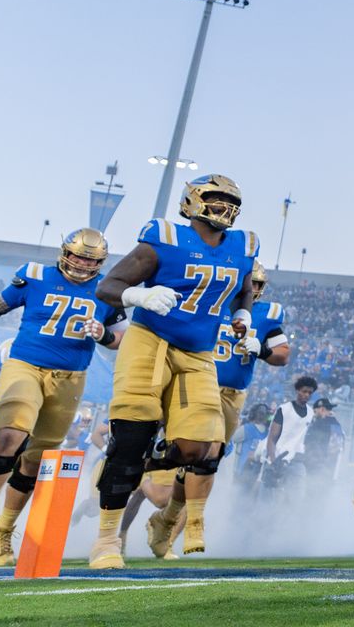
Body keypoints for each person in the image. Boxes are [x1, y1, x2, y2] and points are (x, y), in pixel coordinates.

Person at [87, 175, 258, 569]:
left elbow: (245, 287)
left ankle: (135, 469)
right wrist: (139, 294)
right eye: (215, 199)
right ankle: (106, 540)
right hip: (150, 340)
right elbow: (107, 286)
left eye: (230, 202)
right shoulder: (165, 238)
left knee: (201, 447)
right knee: (133, 433)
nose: (224, 208)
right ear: (192, 202)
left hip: (198, 352)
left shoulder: (243, 245)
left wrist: (243, 314)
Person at [0, 229, 125, 565]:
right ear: (64, 253)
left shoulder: (108, 290)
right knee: (10, 435)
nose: (82, 264)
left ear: (100, 263)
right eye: (78, 256)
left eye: (91, 260)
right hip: (25, 365)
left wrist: (103, 335)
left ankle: (2, 529)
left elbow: (120, 339)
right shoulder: (36, 275)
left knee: (37, 460)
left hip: (71, 378)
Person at [149, 261, 290, 558]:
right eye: (249, 283)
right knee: (201, 453)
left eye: (257, 284)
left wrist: (262, 349)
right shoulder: (212, 300)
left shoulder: (266, 315)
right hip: (198, 384)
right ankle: (168, 507)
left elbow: (283, 355)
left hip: (232, 396)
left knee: (205, 463)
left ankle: (169, 526)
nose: (252, 289)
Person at [265, 376, 318, 500]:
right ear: (297, 390)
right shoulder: (284, 409)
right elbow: (271, 438)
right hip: (278, 459)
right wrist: (273, 462)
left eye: (310, 392)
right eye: (304, 391)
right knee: (271, 500)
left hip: (297, 462)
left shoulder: (311, 413)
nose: (307, 395)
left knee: (296, 499)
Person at [303, 398, 344, 487]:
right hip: (332, 470)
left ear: (321, 409)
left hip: (317, 470)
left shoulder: (319, 425)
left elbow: (308, 445)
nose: (314, 415)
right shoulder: (337, 425)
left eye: (315, 412)